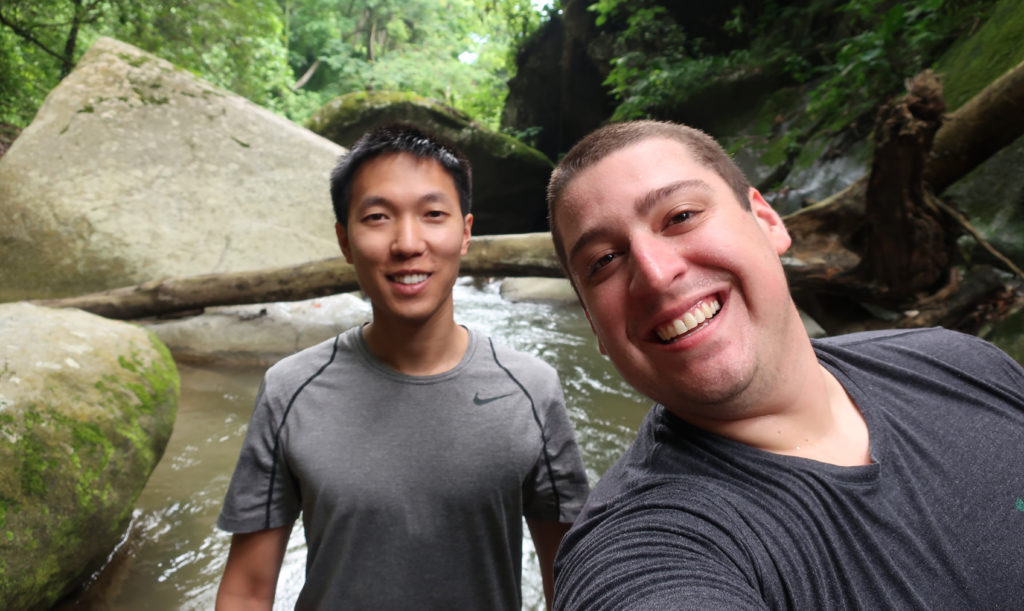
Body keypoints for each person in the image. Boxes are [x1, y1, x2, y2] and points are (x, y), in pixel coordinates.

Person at [545, 120, 1024, 610]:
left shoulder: (964, 364)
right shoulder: (637, 553)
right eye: (603, 261)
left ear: (766, 220)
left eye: (681, 215)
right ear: (593, 325)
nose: (655, 272)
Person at [216, 124, 589, 610]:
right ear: (345, 241)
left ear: (466, 234)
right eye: (377, 217)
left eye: (434, 214)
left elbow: (570, 579)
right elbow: (246, 590)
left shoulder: (532, 390)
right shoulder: (290, 391)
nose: (408, 242)